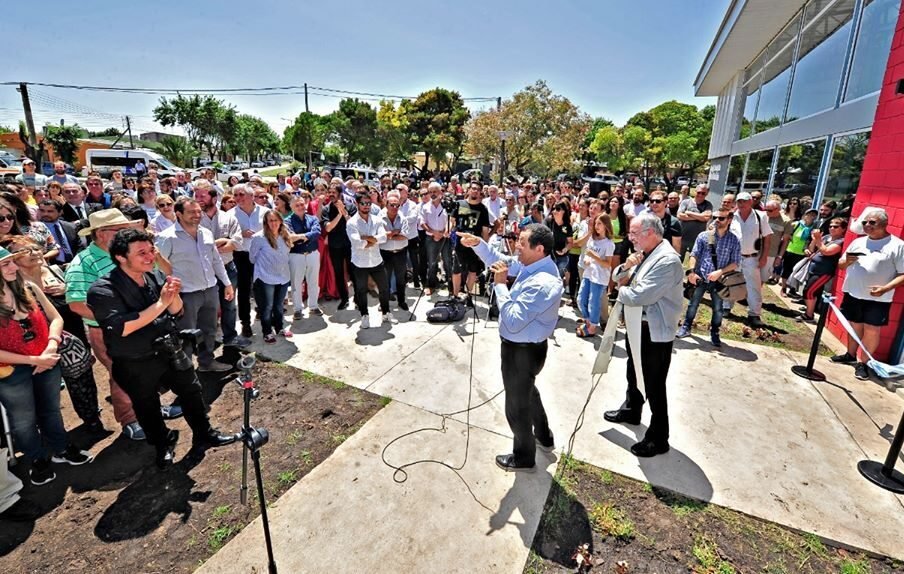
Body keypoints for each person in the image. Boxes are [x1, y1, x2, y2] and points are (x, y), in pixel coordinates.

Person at [87, 228, 235, 468]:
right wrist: (162, 302)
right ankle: (162, 444)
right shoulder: (103, 290)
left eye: (151, 250)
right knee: (147, 406)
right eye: (141, 253)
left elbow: (177, 311)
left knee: (192, 392)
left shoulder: (153, 277)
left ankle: (204, 433)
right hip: (135, 361)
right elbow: (123, 327)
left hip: (169, 351)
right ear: (120, 257)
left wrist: (172, 294)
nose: (150, 257)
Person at [459, 224, 562, 472]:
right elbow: (501, 260)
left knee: (516, 407)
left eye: (522, 243)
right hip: (526, 349)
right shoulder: (534, 264)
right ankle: (544, 437)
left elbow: (514, 321)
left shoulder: (543, 282)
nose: (516, 246)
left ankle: (524, 457)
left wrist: (500, 285)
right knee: (529, 393)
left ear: (539, 249)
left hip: (522, 351)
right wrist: (479, 245)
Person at [603, 213, 684, 457]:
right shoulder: (646, 254)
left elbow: (640, 296)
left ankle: (659, 437)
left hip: (655, 332)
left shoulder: (667, 261)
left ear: (650, 233)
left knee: (654, 383)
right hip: (638, 324)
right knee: (633, 369)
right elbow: (618, 275)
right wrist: (626, 268)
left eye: (635, 233)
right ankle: (632, 409)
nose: (630, 238)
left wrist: (622, 288)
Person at [65, 209, 145, 440]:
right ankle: (129, 418)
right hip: (108, 330)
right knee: (121, 372)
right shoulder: (83, 262)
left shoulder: (124, 253)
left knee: (144, 369)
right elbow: (77, 303)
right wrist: (114, 319)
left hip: (138, 323)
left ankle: (148, 408)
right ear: (101, 234)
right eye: (121, 230)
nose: (126, 234)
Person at [156, 198, 234, 372]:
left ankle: (206, 363)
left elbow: (216, 260)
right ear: (178, 214)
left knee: (209, 330)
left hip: (210, 290)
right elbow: (158, 269)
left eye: (199, 211)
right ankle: (186, 372)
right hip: (185, 295)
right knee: (186, 334)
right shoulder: (166, 237)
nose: (197, 215)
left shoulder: (205, 233)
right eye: (191, 212)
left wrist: (227, 284)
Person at [831, 208, 904, 380]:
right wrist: (845, 262)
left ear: (884, 224)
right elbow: (841, 265)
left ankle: (863, 364)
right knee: (854, 325)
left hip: (878, 297)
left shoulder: (897, 245)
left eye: (872, 222)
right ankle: (850, 354)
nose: (867, 225)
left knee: (872, 330)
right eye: (864, 222)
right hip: (854, 293)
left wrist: (885, 288)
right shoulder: (859, 242)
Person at [677, 207, 741, 347]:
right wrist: (692, 272)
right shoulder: (704, 236)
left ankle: (715, 333)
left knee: (718, 308)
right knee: (693, 304)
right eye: (715, 217)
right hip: (701, 277)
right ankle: (686, 327)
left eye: (721, 218)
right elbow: (694, 254)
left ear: (729, 220)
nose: (717, 220)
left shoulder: (734, 240)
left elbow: (735, 262)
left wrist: (720, 272)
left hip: (719, 280)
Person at [346, 192, 390, 329]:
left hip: (376, 260)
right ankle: (364, 316)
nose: (366, 206)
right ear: (357, 204)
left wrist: (367, 238)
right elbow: (357, 243)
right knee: (361, 290)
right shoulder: (352, 222)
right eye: (363, 203)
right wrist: (374, 239)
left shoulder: (377, 220)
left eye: (369, 203)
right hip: (360, 262)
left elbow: (383, 238)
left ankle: (386, 312)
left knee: (384, 288)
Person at [230, 184, 269, 338]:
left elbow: (273, 229)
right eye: (235, 195)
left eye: (241, 194)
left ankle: (265, 317)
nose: (238, 198)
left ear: (251, 196)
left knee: (263, 287)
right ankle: (245, 323)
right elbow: (226, 235)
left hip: (261, 255)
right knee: (244, 291)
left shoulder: (265, 212)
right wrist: (240, 234)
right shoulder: (230, 215)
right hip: (241, 256)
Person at [250, 210, 293, 343]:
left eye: (276, 220)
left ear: (280, 220)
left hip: (283, 276)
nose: (273, 223)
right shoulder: (259, 238)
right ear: (266, 223)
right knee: (267, 306)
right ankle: (267, 331)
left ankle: (279, 327)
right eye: (270, 220)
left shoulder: (286, 235)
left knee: (279, 305)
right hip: (265, 277)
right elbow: (252, 258)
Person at [730, 192, 772, 327]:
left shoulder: (761, 216)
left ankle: (754, 314)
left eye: (744, 201)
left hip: (751, 257)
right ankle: (726, 307)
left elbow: (767, 237)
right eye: (739, 202)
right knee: (730, 282)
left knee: (753, 287)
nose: (741, 204)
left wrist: (764, 256)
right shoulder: (731, 216)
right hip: (733, 257)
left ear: (750, 202)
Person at [797, 218, 846, 323]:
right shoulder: (826, 237)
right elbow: (812, 249)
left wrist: (818, 239)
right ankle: (809, 312)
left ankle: (809, 315)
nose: (832, 228)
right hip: (813, 269)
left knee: (808, 292)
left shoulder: (841, 241)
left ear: (843, 229)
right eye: (831, 226)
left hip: (824, 272)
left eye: (836, 226)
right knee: (812, 292)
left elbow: (827, 251)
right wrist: (814, 240)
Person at [576, 214, 615, 338]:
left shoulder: (609, 244)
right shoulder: (592, 239)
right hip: (589, 274)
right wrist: (587, 259)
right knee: (581, 299)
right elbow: (588, 254)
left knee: (594, 302)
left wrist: (593, 256)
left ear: (606, 225)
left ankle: (592, 327)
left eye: (599, 224)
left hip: (599, 277)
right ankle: (588, 321)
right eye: (596, 224)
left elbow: (607, 264)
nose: (596, 226)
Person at [286, 194, 322, 320]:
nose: (301, 207)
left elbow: (317, 232)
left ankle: (313, 305)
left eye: (302, 204)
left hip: (312, 253)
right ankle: (297, 309)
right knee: (296, 283)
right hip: (296, 255)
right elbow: (290, 237)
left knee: (314, 281)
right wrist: (308, 237)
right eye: (297, 205)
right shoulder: (287, 221)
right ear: (292, 207)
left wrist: (301, 237)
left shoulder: (312, 218)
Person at [452, 183, 491, 298]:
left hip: (475, 244)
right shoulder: (459, 204)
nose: (475, 191)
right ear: (468, 190)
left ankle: (468, 295)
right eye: (473, 188)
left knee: (473, 271)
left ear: (481, 192)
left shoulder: (483, 209)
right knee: (456, 270)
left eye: (478, 189)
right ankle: (455, 295)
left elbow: (485, 231)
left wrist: (484, 248)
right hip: (459, 243)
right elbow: (452, 221)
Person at [321, 183, 355, 309]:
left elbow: (352, 224)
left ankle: (357, 298)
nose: (331, 195)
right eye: (329, 192)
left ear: (340, 194)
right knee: (338, 273)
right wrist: (339, 214)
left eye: (333, 192)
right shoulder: (326, 209)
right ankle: (344, 299)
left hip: (350, 245)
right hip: (335, 246)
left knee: (354, 272)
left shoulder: (350, 206)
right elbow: (328, 228)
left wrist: (344, 211)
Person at [419, 182, 452, 296]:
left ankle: (451, 286)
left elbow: (451, 219)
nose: (432, 194)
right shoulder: (425, 207)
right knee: (432, 262)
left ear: (440, 192)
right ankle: (431, 285)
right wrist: (434, 233)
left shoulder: (447, 205)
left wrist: (445, 231)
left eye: (435, 191)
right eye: (430, 192)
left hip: (445, 238)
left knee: (448, 262)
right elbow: (422, 223)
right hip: (431, 237)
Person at [380, 193, 410, 312]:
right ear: (386, 205)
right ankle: (383, 303)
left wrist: (389, 235)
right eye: (392, 205)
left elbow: (405, 236)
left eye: (397, 205)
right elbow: (380, 236)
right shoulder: (379, 218)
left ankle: (401, 301)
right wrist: (395, 232)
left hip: (400, 253)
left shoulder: (403, 218)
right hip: (385, 253)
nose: (394, 207)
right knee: (384, 280)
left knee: (401, 279)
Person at [777, 208, 817, 297]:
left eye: (814, 215)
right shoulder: (796, 224)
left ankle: (792, 290)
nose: (811, 217)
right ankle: (783, 288)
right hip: (790, 251)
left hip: (803, 254)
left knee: (797, 272)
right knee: (786, 270)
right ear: (804, 215)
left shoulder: (814, 229)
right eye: (809, 214)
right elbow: (786, 234)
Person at [38, 199, 83, 266]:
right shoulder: (34, 230)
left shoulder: (70, 227)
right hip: (50, 267)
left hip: (73, 265)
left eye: (50, 211)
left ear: (60, 212)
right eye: (42, 211)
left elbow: (79, 247)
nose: (45, 214)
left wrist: (74, 263)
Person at [677, 184, 713, 261]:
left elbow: (706, 218)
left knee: (695, 262)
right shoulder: (686, 202)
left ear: (707, 194)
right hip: (683, 237)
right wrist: (700, 216)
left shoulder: (708, 205)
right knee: (678, 260)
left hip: (697, 239)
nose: (700, 195)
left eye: (703, 193)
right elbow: (680, 215)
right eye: (699, 192)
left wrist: (689, 213)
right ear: (695, 191)